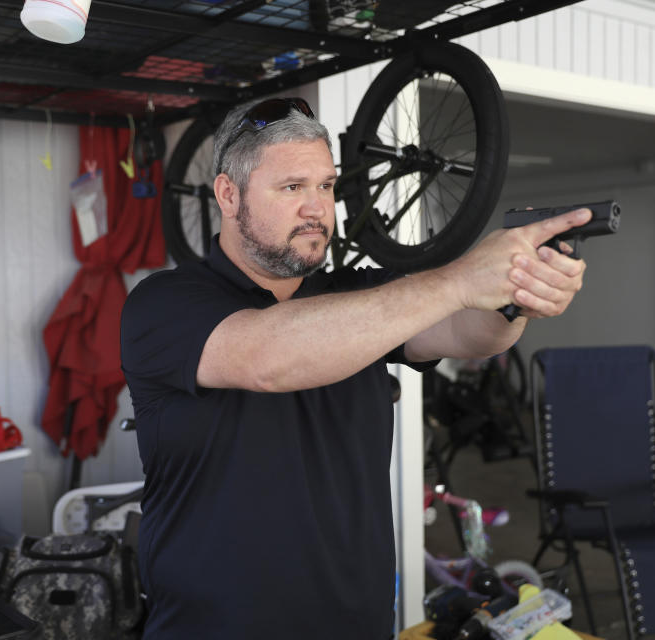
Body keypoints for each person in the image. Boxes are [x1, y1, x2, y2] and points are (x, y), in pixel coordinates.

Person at [120, 96, 590, 639]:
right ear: (229, 194)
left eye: (325, 187)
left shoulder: (362, 296)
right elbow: (268, 357)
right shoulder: (164, 303)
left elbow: (469, 334)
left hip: (356, 623)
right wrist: (459, 280)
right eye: (293, 187)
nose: (318, 208)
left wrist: (518, 297)